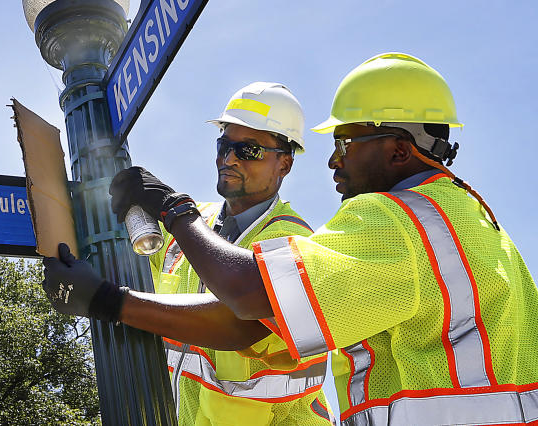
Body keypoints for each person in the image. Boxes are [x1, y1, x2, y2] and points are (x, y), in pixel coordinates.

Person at [43, 53, 538, 426]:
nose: (334, 160)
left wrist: (114, 291)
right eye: (225, 144)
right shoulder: (470, 221)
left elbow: (248, 307)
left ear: (400, 151)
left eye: (249, 148)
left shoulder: (386, 224)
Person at [147, 82, 333, 424]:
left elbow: (237, 320)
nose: (228, 159)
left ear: (285, 164)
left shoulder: (293, 242)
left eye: (248, 150)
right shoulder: (189, 225)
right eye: (224, 145)